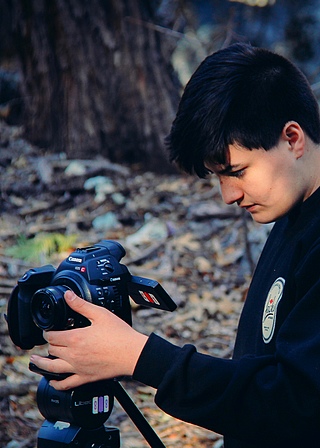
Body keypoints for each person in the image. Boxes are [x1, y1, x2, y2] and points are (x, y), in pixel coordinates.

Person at [30, 42, 320, 448]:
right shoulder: (294, 213)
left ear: (292, 138)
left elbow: (296, 406)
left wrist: (140, 357)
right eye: (218, 177)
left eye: (236, 171)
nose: (228, 195)